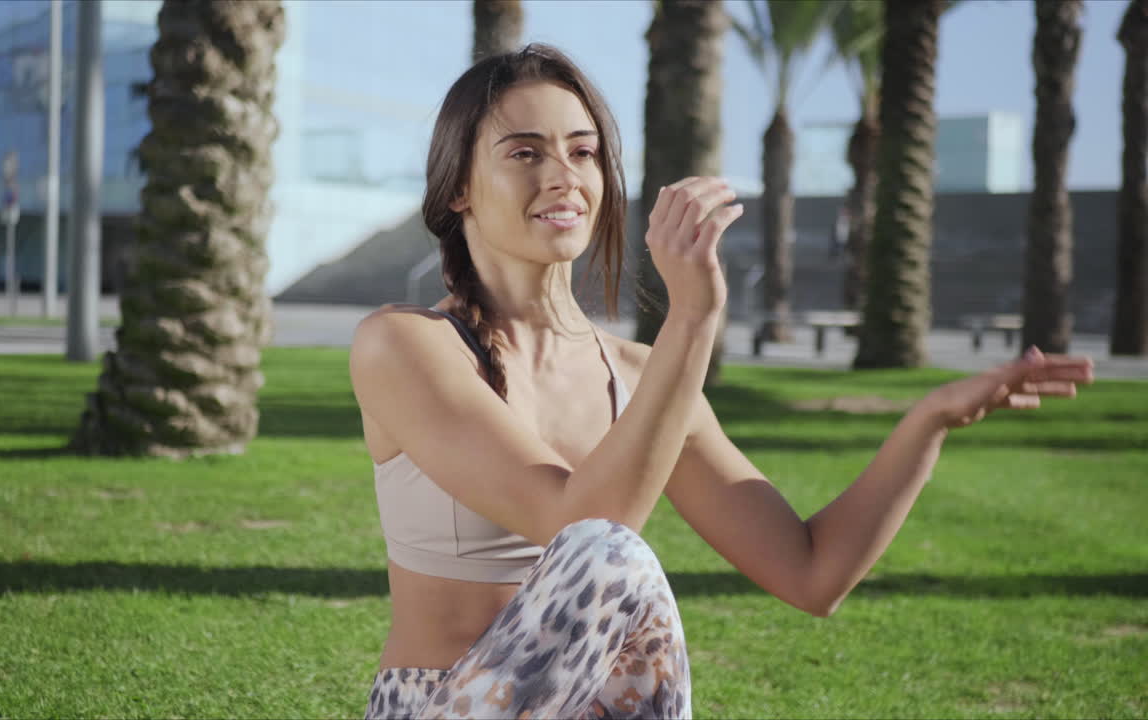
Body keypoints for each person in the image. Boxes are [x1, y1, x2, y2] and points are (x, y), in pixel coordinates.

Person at [348, 44, 1094, 720]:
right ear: (458, 189)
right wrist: (694, 317)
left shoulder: (643, 377)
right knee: (615, 555)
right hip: (440, 704)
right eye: (524, 153)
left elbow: (811, 574)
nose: (564, 176)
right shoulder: (406, 346)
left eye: (584, 151)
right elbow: (582, 529)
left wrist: (927, 422)